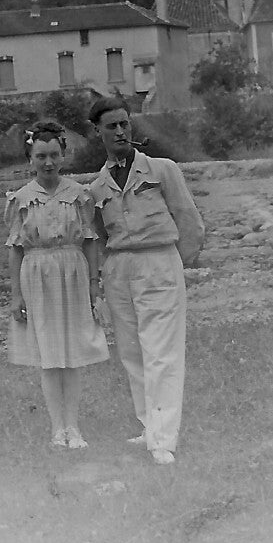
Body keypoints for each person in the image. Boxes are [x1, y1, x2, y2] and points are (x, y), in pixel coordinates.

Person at [86, 96, 205, 466]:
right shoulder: (97, 187)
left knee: (162, 354)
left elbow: (190, 222)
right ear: (98, 133)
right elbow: (100, 238)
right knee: (133, 352)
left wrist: (173, 265)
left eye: (125, 123)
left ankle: (163, 440)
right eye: (111, 126)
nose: (120, 131)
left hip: (159, 262)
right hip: (121, 269)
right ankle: (148, 426)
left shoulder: (161, 170)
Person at [6, 121, 110, 449]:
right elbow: (16, 248)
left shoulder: (79, 194)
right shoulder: (21, 199)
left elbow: (91, 242)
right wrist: (15, 295)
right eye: (40, 156)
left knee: (72, 352)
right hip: (37, 275)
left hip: (73, 273)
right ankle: (57, 427)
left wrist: (94, 284)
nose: (48, 162)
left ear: (63, 156)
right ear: (30, 160)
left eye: (54, 155)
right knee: (50, 354)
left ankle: (74, 426)